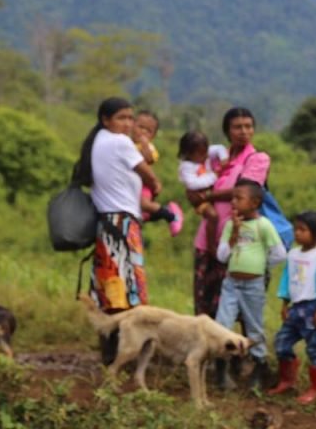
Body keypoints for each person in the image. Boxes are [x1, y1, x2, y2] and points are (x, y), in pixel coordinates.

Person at [73, 97, 161, 365]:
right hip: (122, 224)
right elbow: (148, 174)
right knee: (128, 291)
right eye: (121, 118)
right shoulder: (120, 142)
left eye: (130, 118)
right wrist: (156, 185)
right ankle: (124, 355)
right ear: (106, 120)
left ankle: (109, 353)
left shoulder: (98, 140)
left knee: (110, 288)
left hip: (106, 223)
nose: (127, 123)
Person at [187, 107, 270, 319]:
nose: (244, 131)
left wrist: (208, 196)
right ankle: (205, 347)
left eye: (248, 126)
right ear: (227, 131)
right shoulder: (217, 158)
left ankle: (235, 349)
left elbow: (244, 191)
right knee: (204, 298)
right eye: (237, 127)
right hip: (208, 236)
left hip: (238, 238)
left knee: (232, 303)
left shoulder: (257, 158)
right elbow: (195, 183)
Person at [214, 178, 287, 390]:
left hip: (253, 285)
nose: (233, 203)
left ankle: (258, 368)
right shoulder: (230, 225)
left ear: (255, 203)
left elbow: (280, 254)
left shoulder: (263, 225)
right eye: (232, 198)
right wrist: (234, 233)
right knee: (222, 325)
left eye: (239, 198)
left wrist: (261, 267)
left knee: (254, 326)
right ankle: (221, 370)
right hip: (231, 283)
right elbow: (222, 256)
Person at [268, 210, 316, 404]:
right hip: (295, 307)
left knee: (315, 347)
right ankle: (287, 380)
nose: (297, 233)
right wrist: (284, 304)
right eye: (296, 229)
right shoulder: (293, 254)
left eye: (303, 230)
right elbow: (286, 279)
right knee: (282, 342)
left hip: (313, 308)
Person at [132, 110, 183, 237]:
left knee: (144, 204)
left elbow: (149, 159)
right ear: (132, 126)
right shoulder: (127, 143)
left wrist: (144, 145)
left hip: (144, 185)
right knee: (140, 214)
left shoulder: (150, 147)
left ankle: (171, 215)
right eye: (140, 127)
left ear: (153, 136)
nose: (143, 132)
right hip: (133, 185)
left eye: (148, 130)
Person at [177, 130, 230, 252]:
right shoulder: (186, 167)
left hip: (210, 191)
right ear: (188, 154)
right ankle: (211, 245)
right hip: (199, 198)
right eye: (200, 154)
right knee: (213, 216)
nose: (205, 156)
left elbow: (219, 148)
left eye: (205, 151)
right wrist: (214, 176)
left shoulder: (203, 154)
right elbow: (193, 184)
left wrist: (224, 158)